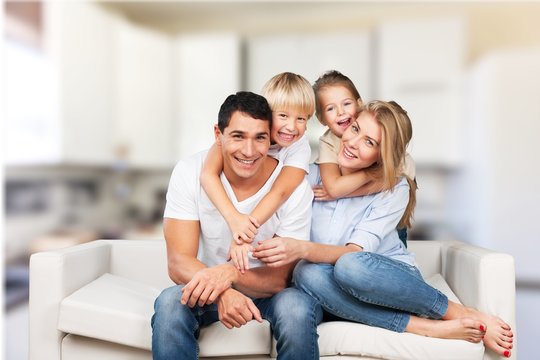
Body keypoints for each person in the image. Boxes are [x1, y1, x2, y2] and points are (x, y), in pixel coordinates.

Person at [252, 100, 514, 358]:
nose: (353, 143)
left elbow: (352, 253)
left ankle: (459, 313)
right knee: (306, 273)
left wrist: (302, 248)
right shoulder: (307, 176)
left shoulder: (393, 188)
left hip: (384, 280)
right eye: (355, 129)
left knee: (350, 265)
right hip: (328, 287)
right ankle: (422, 327)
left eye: (370, 142)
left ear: (383, 154)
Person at [151, 91, 322, 360]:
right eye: (238, 136)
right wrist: (223, 292)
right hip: (208, 288)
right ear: (218, 135)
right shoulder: (189, 172)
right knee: (171, 303)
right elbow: (178, 262)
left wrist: (230, 275)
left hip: (267, 293)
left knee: (296, 307)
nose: (249, 151)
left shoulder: (294, 188)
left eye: (260, 138)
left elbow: (278, 279)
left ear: (272, 137)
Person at [200, 72, 315, 272]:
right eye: (283, 116)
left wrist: (244, 234)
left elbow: (279, 192)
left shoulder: (299, 147)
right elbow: (208, 175)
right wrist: (234, 219)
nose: (291, 127)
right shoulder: (241, 132)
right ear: (268, 115)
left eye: (301, 119)